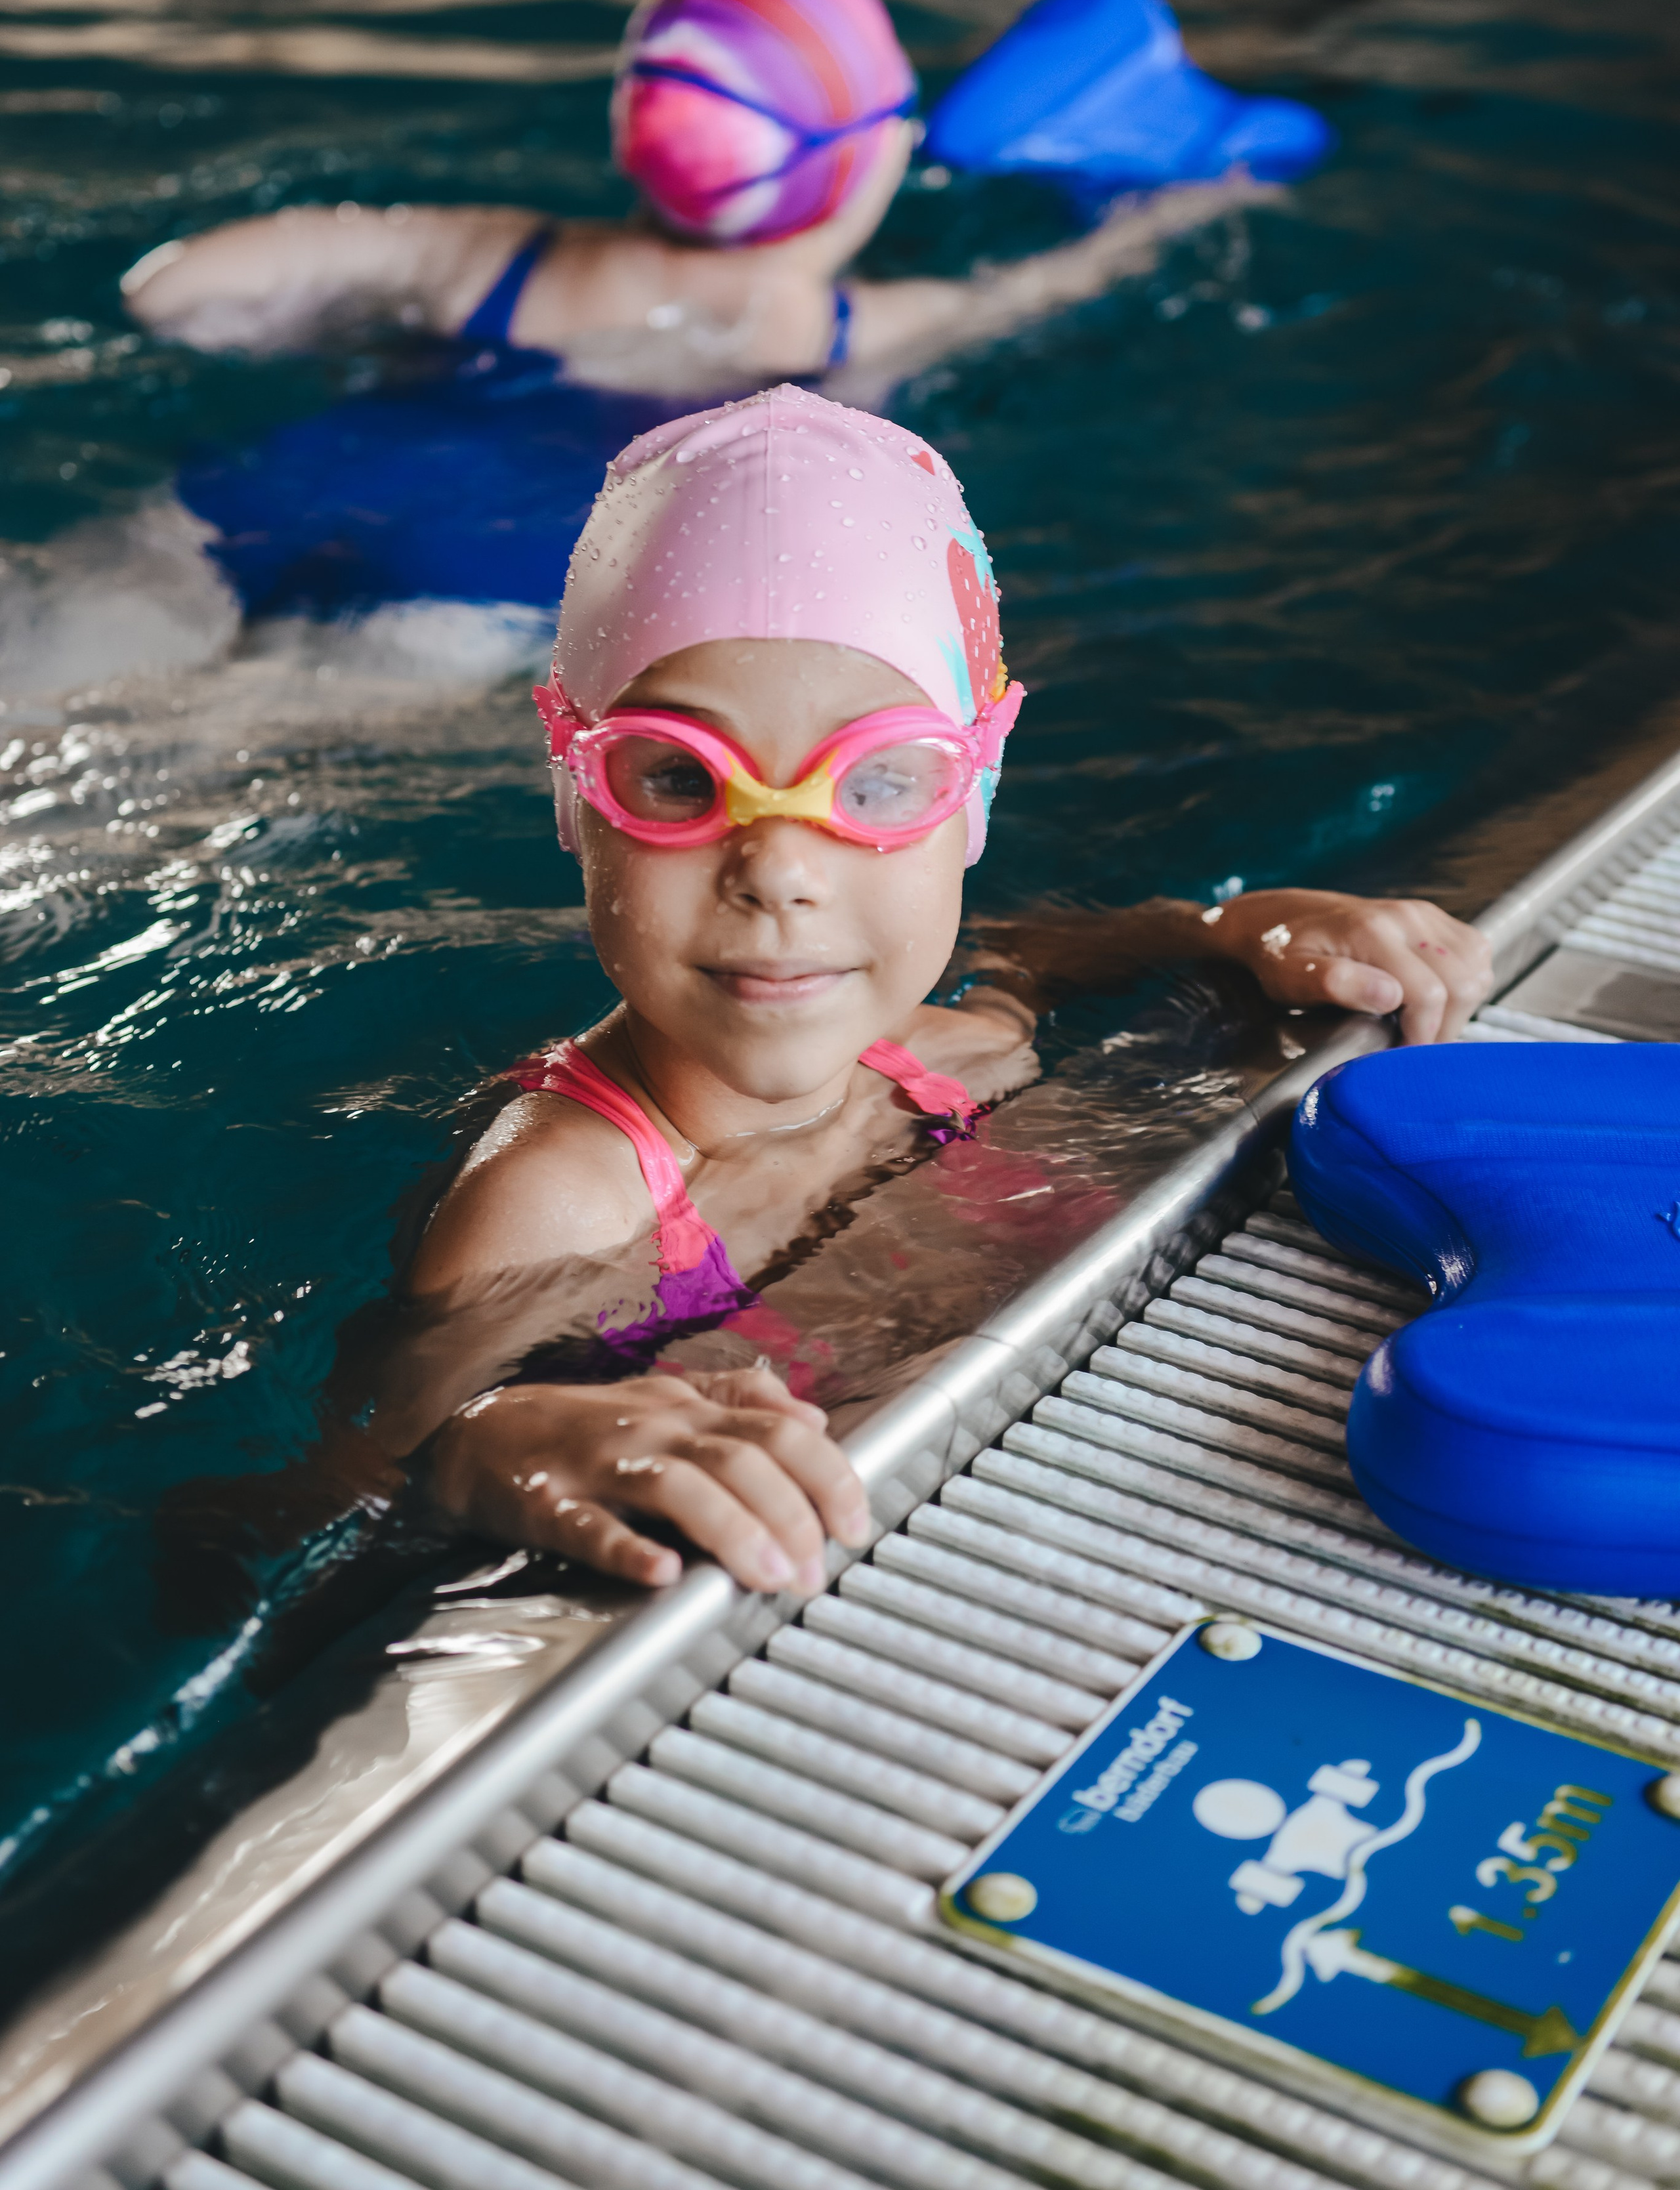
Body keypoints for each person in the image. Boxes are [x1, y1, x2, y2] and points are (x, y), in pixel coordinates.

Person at [178, 385, 1485, 1626]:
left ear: (971, 794)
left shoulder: (954, 1040)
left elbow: (1068, 952)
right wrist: (487, 1441)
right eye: (678, 782)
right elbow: (311, 1494)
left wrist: (1238, 929)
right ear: (575, 791)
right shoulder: (563, 1194)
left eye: (877, 783)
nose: (780, 871)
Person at [121, 0, 1261, 413]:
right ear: (870, 162)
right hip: (493, 577)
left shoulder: (478, 252)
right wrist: (1205, 199)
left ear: (634, 133)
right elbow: (1049, 287)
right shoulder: (835, 330)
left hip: (301, 471)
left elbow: (170, 295)